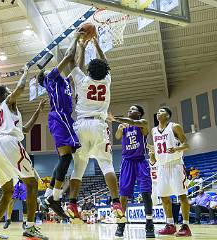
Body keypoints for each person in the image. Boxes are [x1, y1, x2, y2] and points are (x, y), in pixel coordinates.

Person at [0, 65, 48, 240]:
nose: (13, 93)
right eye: (9, 91)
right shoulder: (7, 102)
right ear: (4, 95)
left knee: (7, 191)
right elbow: (20, 88)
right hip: (8, 142)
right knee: (32, 184)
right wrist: (25, 72)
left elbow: (24, 129)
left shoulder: (7, 113)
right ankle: (31, 228)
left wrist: (37, 112)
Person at [66, 36, 126, 226]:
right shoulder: (107, 81)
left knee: (79, 168)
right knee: (107, 165)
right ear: (105, 72)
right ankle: (116, 203)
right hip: (99, 126)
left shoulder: (82, 80)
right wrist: (98, 45)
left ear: (89, 71)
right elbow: (106, 64)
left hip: (81, 125)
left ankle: (73, 203)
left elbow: (76, 64)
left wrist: (81, 46)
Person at [37, 32, 82, 218]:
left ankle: (49, 196)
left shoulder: (63, 81)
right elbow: (68, 57)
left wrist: (84, 47)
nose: (51, 69)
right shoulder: (51, 79)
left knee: (66, 158)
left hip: (64, 118)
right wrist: (75, 38)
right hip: (59, 117)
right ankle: (53, 197)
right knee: (66, 159)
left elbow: (76, 66)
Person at [109, 105, 155, 238]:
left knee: (146, 192)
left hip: (140, 161)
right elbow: (118, 136)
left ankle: (149, 223)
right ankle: (121, 224)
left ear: (139, 113)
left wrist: (115, 118)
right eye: (128, 110)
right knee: (123, 194)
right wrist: (119, 128)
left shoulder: (143, 123)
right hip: (127, 162)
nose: (129, 111)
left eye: (133, 110)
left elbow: (134, 123)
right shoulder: (124, 125)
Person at [150, 107, 191, 236]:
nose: (158, 113)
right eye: (157, 111)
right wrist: (152, 152)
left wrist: (177, 148)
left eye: (161, 111)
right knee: (163, 196)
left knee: (182, 195)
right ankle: (170, 225)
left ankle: (185, 226)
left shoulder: (175, 127)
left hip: (175, 164)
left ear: (167, 115)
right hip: (162, 166)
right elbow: (157, 149)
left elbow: (186, 144)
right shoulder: (153, 131)